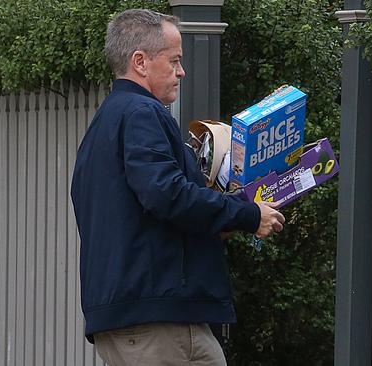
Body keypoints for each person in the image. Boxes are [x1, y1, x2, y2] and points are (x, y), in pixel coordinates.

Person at [70, 8, 285, 366]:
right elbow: (166, 193)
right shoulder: (142, 113)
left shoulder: (106, 122)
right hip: (157, 319)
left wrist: (221, 220)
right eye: (174, 61)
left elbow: (147, 213)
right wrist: (247, 214)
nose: (181, 72)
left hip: (139, 314)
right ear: (140, 62)